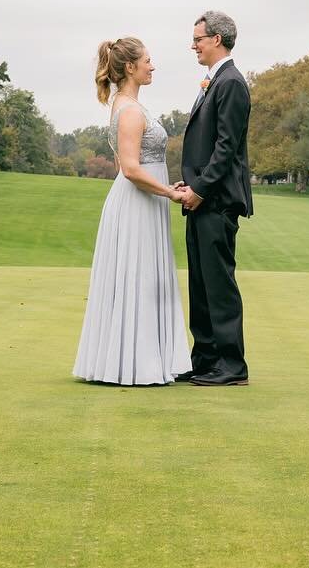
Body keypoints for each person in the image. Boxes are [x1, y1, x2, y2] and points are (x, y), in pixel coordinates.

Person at [72, 37, 192, 386]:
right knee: (137, 276)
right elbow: (129, 168)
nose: (152, 66)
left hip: (146, 202)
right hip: (137, 202)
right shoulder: (128, 110)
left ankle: (150, 358)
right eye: (148, 61)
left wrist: (168, 189)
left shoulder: (129, 106)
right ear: (130, 67)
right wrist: (170, 192)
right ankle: (132, 364)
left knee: (147, 277)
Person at [174, 10, 255, 386]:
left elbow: (226, 147)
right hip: (201, 198)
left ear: (217, 40)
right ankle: (205, 358)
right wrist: (189, 186)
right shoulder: (214, 81)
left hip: (217, 200)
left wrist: (201, 189)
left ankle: (232, 365)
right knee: (201, 283)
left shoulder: (232, 83)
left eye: (198, 39)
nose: (194, 46)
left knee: (218, 284)